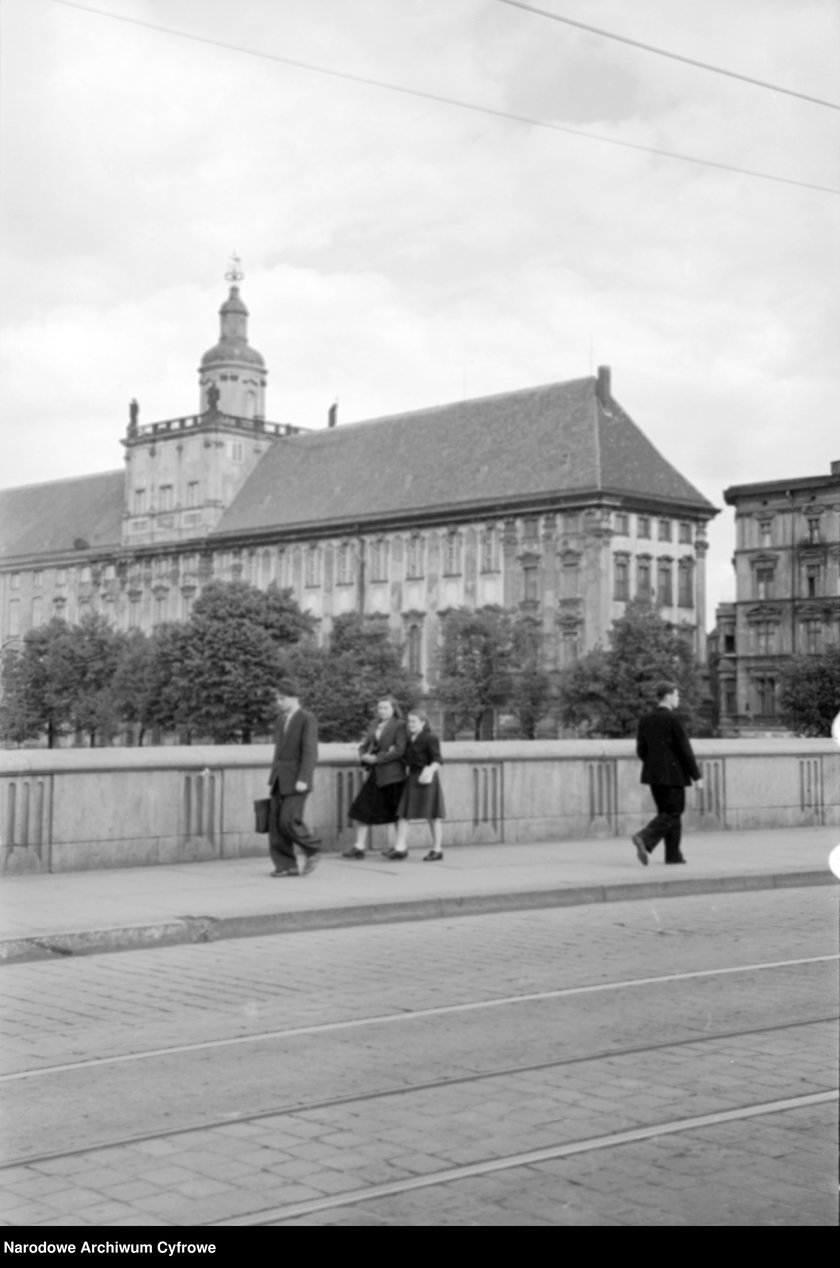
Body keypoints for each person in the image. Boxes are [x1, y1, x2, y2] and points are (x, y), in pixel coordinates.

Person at [632, 682, 703, 866]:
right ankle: (644, 837)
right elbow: (684, 750)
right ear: (669, 696)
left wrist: (654, 764)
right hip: (673, 775)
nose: (678, 699)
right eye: (677, 696)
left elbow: (641, 749)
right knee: (674, 812)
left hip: (653, 776)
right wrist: (697, 776)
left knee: (667, 813)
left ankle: (673, 855)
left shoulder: (645, 719)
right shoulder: (673, 719)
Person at [267, 678, 321, 877]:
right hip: (280, 778)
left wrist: (304, 778)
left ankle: (313, 848)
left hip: (298, 779)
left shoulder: (307, 718)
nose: (278, 702)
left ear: (293, 698)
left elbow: (310, 751)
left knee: (289, 820)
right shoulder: (281, 720)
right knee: (276, 824)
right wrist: (274, 776)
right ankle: (285, 865)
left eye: (281, 699)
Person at [342, 696, 408, 859]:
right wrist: (363, 755)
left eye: (386, 708)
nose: (382, 711)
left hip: (394, 775)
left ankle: (400, 848)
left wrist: (377, 758)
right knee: (361, 808)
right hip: (376, 773)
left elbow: (400, 750)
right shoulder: (374, 724)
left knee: (398, 812)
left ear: (394, 708)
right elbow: (364, 745)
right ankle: (359, 846)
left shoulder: (400, 725)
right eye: (380, 708)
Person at [385, 708, 445, 861]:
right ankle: (400, 847)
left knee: (433, 815)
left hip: (427, 778)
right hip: (412, 777)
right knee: (404, 814)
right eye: (409, 721)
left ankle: (437, 849)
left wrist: (429, 771)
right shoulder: (410, 738)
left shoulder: (430, 737)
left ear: (423, 723)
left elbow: (438, 760)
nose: (410, 724)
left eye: (414, 722)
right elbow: (406, 759)